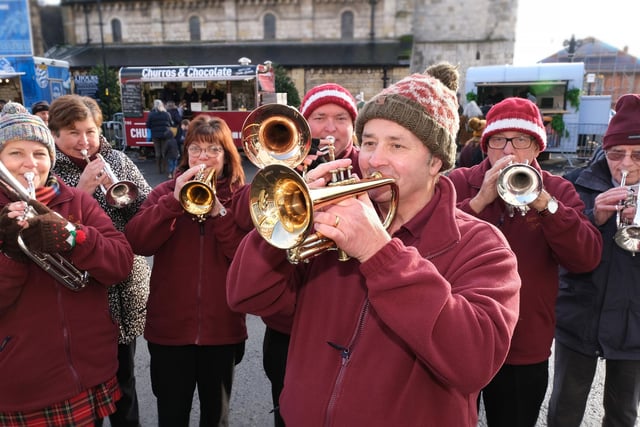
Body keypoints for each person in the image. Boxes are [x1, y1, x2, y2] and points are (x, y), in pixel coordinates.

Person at [226, 63, 521, 425]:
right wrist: (284, 227)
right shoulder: (334, 220)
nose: (374, 159)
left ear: (435, 162)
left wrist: (380, 253)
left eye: (396, 145)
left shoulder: (483, 245)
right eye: (368, 142)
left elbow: (475, 361)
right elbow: (246, 297)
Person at [447, 97, 603, 427]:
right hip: (457, 339)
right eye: (499, 140)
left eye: (521, 140)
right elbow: (429, 246)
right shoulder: (458, 182)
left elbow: (586, 258)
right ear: (485, 145)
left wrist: (546, 205)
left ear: (536, 148)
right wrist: (477, 202)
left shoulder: (558, 189)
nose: (508, 151)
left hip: (524, 346)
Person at [232, 82, 360, 427]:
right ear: (304, 125)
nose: (330, 128)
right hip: (289, 327)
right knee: (289, 410)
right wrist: (287, 175)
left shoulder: (370, 172)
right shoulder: (283, 171)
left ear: (353, 126)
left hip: (349, 325)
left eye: (340, 118)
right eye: (319, 117)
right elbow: (246, 219)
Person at [0, 104, 134, 425]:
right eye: (16, 153)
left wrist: (74, 238)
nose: (30, 164)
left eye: (40, 154)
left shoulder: (77, 201)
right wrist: (12, 255)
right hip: (22, 382)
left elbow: (120, 263)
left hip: (88, 371)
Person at [125, 115, 247, 426]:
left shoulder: (241, 198)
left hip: (222, 330)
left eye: (213, 150)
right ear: (185, 153)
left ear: (227, 156)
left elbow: (244, 259)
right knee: (171, 414)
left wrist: (220, 211)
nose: (203, 158)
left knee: (216, 417)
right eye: (196, 149)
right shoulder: (165, 192)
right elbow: (138, 242)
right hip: (169, 332)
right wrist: (173, 202)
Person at [48, 94, 152, 427]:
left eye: (90, 131)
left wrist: (122, 196)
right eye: (73, 132)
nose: (84, 141)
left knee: (126, 383)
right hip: (80, 290)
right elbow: (48, 232)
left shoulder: (118, 160)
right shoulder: (47, 170)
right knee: (85, 386)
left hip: (125, 287)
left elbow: (147, 214)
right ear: (55, 134)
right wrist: (83, 190)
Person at [547, 94, 640, 427]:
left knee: (623, 414)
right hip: (579, 313)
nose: (625, 165)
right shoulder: (575, 184)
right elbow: (555, 248)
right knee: (565, 409)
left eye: (637, 155)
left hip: (634, 322)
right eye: (616, 154)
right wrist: (592, 217)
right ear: (605, 150)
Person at [146, 99, 173, 174]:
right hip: (165, 135)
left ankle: (158, 169)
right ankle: (164, 169)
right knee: (164, 151)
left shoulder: (151, 114)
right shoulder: (166, 114)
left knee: (157, 152)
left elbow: (148, 125)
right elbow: (170, 123)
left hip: (155, 135)